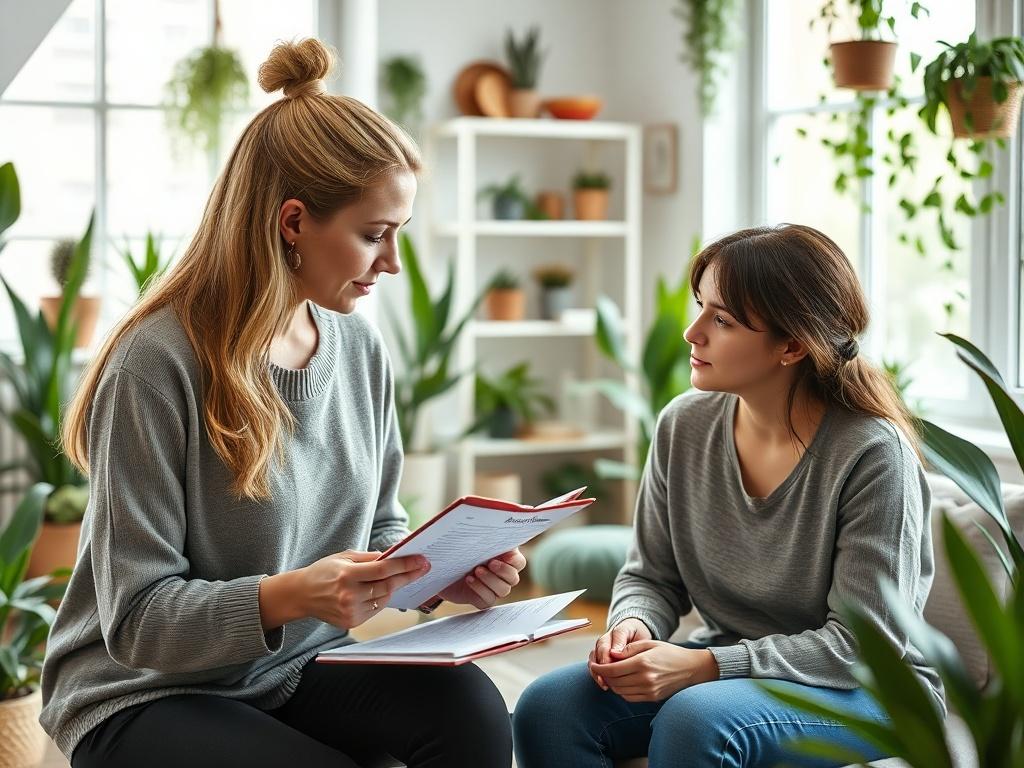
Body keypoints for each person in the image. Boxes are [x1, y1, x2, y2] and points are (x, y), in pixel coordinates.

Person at [40, 38, 522, 768]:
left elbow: (378, 523)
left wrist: (436, 574)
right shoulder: (157, 362)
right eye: (373, 236)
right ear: (293, 223)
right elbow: (136, 621)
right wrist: (287, 596)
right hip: (142, 690)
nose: (392, 264)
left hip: (290, 668)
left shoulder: (356, 348)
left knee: (475, 711)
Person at [512, 224, 942, 768]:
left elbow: (859, 648)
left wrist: (705, 666)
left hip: (869, 693)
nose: (693, 333)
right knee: (548, 708)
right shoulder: (683, 426)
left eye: (722, 320)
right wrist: (633, 626)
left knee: (695, 720)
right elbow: (651, 576)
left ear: (791, 345)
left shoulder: (873, 455)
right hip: (734, 667)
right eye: (701, 308)